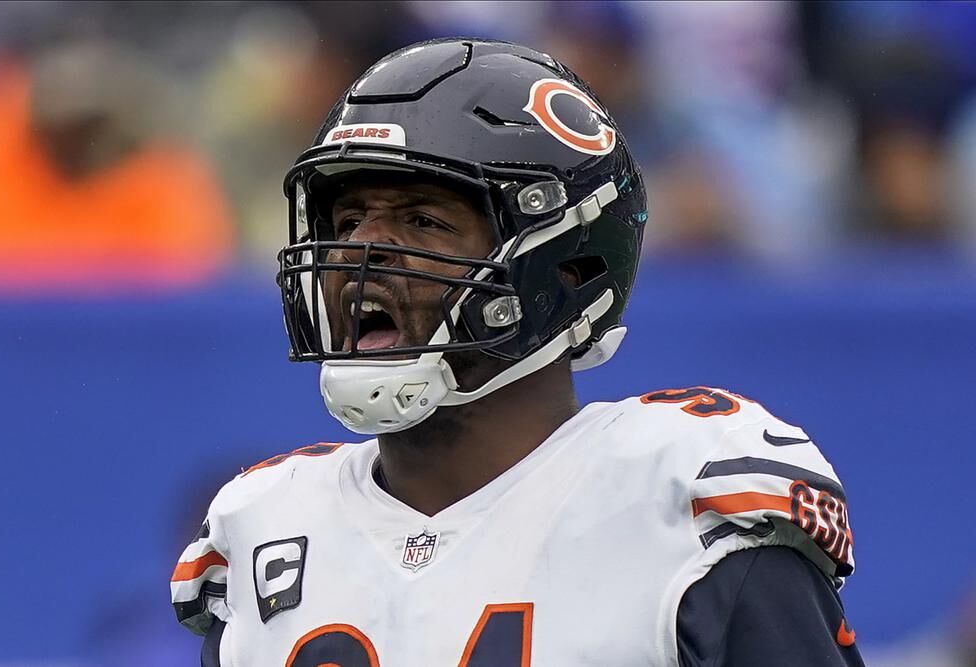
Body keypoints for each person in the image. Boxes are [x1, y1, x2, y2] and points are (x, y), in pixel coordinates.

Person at [171, 38, 864, 666]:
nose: (360, 251)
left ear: (564, 267)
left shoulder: (679, 509)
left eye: (422, 220)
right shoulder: (268, 529)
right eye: (347, 219)